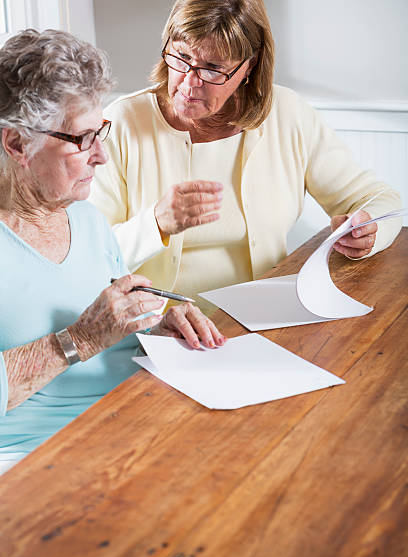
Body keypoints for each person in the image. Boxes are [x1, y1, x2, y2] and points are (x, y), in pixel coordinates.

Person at [0, 29, 226, 474]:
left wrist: (156, 320)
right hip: (40, 461)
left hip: (136, 425)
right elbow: (88, 335)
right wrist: (78, 341)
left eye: (101, 132)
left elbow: (108, 324)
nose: (101, 156)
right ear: (17, 144)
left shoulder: (87, 219)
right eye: (82, 139)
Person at [90, 0, 402, 315]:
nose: (188, 82)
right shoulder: (120, 124)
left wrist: (367, 232)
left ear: (248, 67)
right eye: (182, 57)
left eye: (212, 68)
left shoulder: (287, 114)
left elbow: (379, 200)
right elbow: (89, 258)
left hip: (269, 318)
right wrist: (156, 224)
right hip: (161, 331)